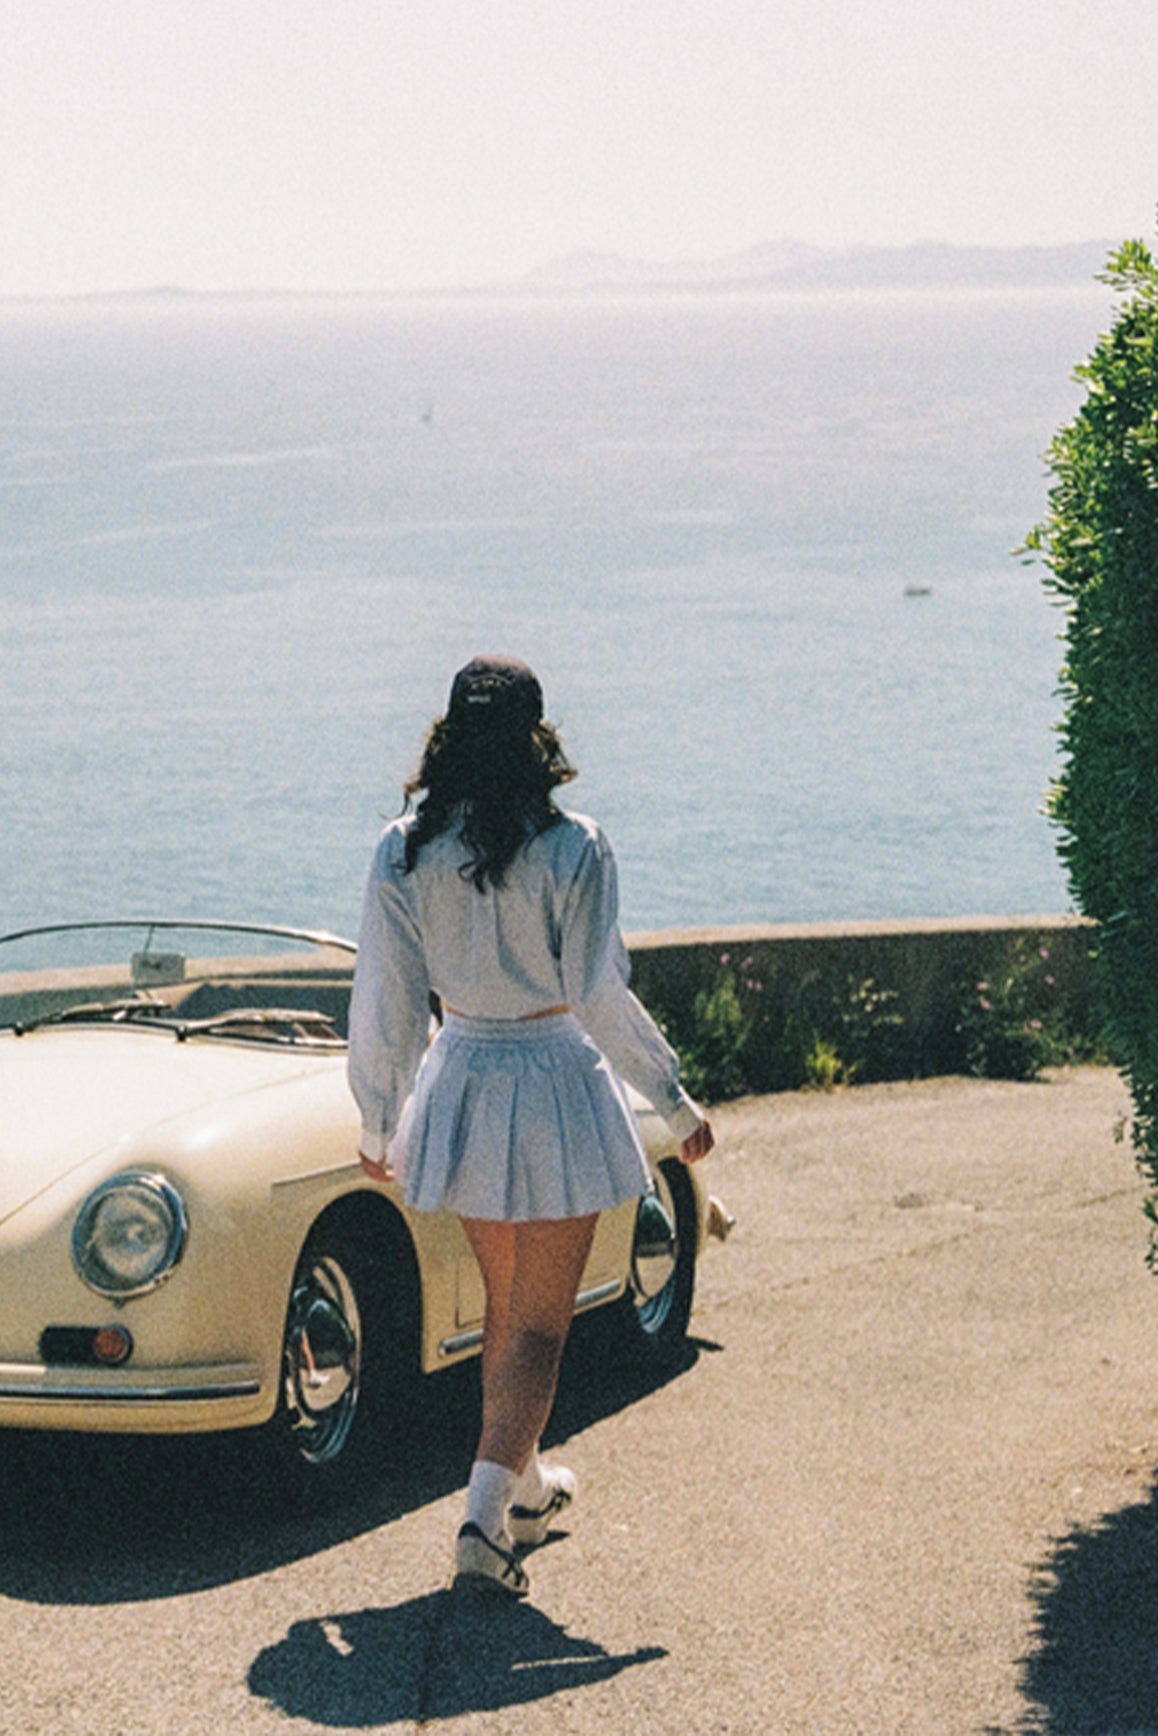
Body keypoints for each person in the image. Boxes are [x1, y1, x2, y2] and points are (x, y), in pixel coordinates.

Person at [348, 655, 714, 1597]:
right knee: (543, 1327)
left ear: (447, 739)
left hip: (463, 1074)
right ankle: (481, 1521)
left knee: (506, 1313)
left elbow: (386, 997)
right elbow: (598, 994)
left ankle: (527, 1491)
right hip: (552, 1078)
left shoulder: (401, 851)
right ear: (536, 740)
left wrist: (380, 1120)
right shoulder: (574, 847)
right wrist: (672, 1099)